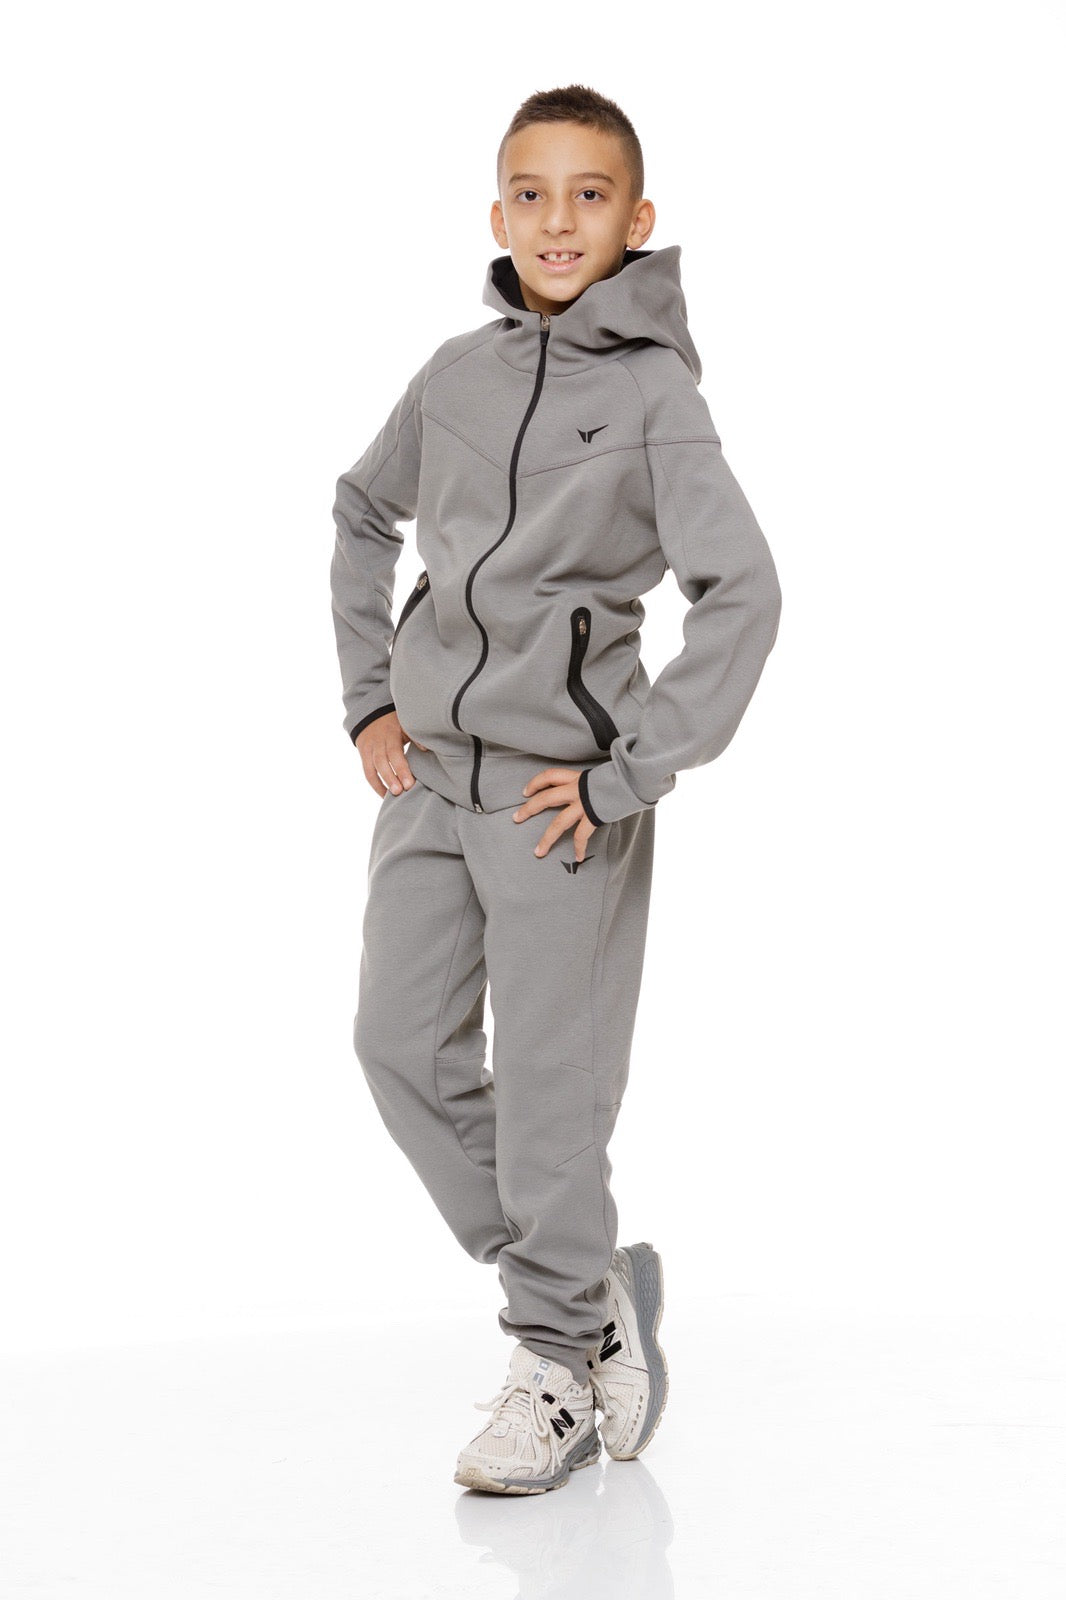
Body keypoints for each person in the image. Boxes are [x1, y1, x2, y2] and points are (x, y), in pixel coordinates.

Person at [330, 83, 782, 1496]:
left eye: (589, 194)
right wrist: (369, 698)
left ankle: (555, 1363)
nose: (557, 219)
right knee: (398, 1050)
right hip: (428, 784)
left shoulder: (652, 397)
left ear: (637, 221)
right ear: (496, 213)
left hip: (558, 802)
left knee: (548, 1098)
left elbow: (743, 594)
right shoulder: (455, 374)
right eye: (531, 193)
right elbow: (362, 510)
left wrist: (630, 771)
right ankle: (586, 1300)